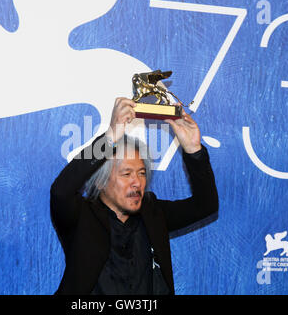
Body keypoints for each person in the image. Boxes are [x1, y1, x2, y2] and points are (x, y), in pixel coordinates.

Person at [50, 97, 218, 295]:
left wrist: (193, 151)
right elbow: (61, 192)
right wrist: (109, 139)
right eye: (126, 174)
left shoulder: (153, 212)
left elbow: (205, 205)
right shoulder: (81, 217)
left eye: (142, 173)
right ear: (100, 181)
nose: (137, 183)